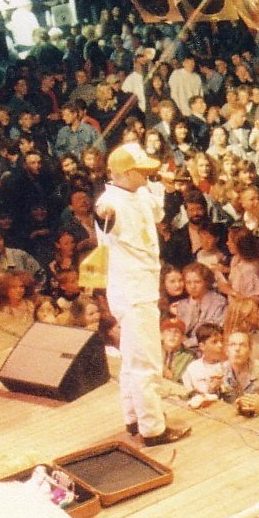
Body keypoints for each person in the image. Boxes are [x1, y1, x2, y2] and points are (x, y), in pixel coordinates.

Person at [95, 142, 190, 442]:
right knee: (145, 361)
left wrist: (166, 187)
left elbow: (158, 214)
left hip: (144, 286)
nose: (147, 174)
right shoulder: (110, 201)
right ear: (124, 173)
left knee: (131, 357)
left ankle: (134, 417)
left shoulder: (139, 191)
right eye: (142, 170)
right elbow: (104, 217)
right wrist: (102, 212)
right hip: (132, 291)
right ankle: (153, 428)